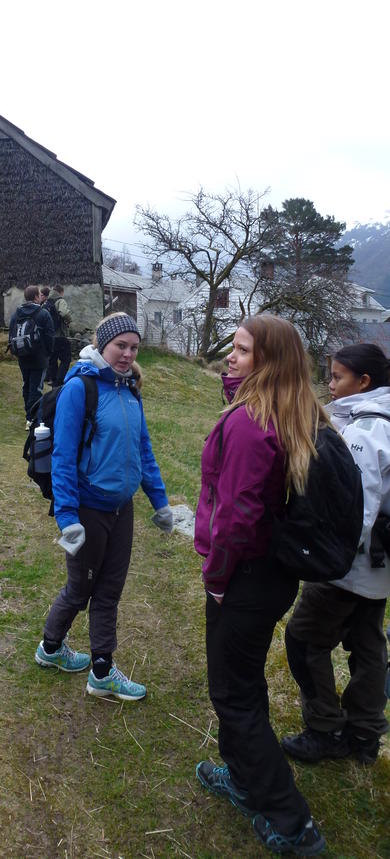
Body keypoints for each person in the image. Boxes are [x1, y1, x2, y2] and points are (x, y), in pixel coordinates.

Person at [194, 315, 326, 856]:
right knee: (241, 683)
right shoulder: (288, 412)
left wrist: (217, 578)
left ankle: (292, 821)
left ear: (269, 361)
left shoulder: (251, 424)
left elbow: (237, 517)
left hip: (243, 576)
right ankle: (242, 776)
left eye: (244, 350)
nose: (231, 355)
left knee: (233, 694)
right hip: (271, 572)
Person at [34, 312, 173, 701]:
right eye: (120, 346)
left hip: (121, 509)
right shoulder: (80, 388)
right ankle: (51, 648)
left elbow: (143, 450)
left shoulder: (130, 390)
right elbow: (63, 457)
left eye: (134, 348)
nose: (128, 354)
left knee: (109, 589)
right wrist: (67, 517)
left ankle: (100, 671)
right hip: (88, 510)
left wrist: (160, 502)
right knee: (81, 589)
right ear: (102, 344)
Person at [282, 343, 390, 766]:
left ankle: (323, 728)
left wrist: (331, 560)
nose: (329, 384)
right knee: (367, 643)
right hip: (379, 567)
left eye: (337, 377)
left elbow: (357, 503)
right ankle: (364, 734)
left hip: (350, 564)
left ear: (363, 381)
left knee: (304, 638)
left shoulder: (366, 431)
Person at [9, 284, 55, 423]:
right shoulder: (43, 314)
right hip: (39, 357)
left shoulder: (16, 314)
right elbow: (49, 336)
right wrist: (48, 353)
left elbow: (11, 334)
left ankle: (29, 414)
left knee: (27, 384)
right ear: (36, 297)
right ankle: (32, 418)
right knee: (36, 388)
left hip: (22, 355)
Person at [44, 284, 72, 386]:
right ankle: (59, 381)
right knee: (66, 359)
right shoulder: (60, 301)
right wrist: (69, 320)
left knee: (53, 359)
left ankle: (52, 379)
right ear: (61, 292)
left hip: (49, 336)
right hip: (60, 335)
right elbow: (64, 313)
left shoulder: (47, 302)